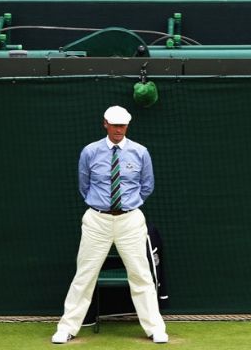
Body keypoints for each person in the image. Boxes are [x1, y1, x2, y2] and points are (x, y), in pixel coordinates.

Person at [52, 105, 168, 344]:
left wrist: (127, 206)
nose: (118, 130)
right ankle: (67, 327)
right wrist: (101, 206)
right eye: (114, 125)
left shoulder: (140, 152)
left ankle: (155, 328)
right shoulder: (90, 152)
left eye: (123, 125)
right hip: (97, 219)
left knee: (141, 275)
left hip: (131, 220)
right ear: (105, 123)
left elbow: (147, 186)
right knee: (84, 275)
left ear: (128, 125)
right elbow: (84, 185)